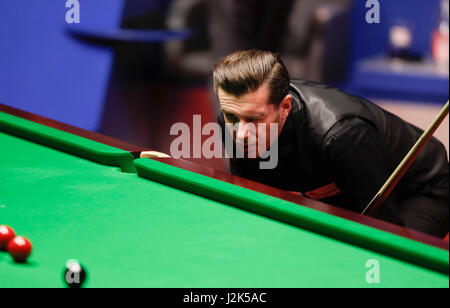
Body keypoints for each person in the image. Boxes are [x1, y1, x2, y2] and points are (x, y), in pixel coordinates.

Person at [213, 50, 449, 237]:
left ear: (284, 107)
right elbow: (252, 201)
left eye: (254, 119)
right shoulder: (233, 121)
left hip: (420, 188)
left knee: (389, 266)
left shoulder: (342, 136)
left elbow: (384, 230)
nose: (241, 134)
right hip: (343, 184)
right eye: (232, 117)